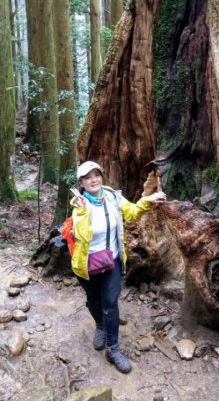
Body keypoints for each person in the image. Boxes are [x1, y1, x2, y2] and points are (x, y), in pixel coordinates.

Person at [69, 160, 166, 374]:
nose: (94, 180)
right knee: (93, 300)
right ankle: (100, 326)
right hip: (86, 265)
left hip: (111, 261)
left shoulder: (112, 196)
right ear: (82, 183)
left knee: (110, 303)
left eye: (97, 175)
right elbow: (83, 236)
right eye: (88, 177)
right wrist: (84, 212)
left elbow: (130, 212)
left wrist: (147, 200)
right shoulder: (78, 205)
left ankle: (113, 349)